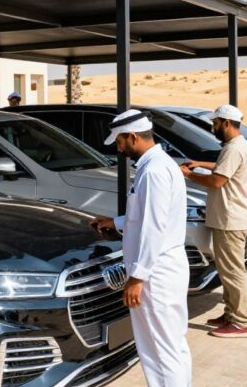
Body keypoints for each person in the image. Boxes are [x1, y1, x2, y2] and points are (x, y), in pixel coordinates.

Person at [89, 110, 192, 386]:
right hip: (161, 269)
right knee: (169, 347)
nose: (119, 148)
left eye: (120, 142)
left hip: (156, 274)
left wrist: (137, 277)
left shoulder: (155, 171)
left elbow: (154, 227)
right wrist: (117, 222)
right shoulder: (157, 165)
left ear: (133, 137)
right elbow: (147, 215)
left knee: (161, 351)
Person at [180, 104, 247, 338]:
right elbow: (225, 169)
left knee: (233, 272)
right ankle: (231, 313)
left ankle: (240, 322)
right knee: (228, 270)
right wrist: (201, 164)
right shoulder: (236, 146)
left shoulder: (233, 149)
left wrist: (189, 175)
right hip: (228, 219)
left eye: (215, 123)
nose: (213, 127)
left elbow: (217, 181)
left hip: (230, 220)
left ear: (226, 123)